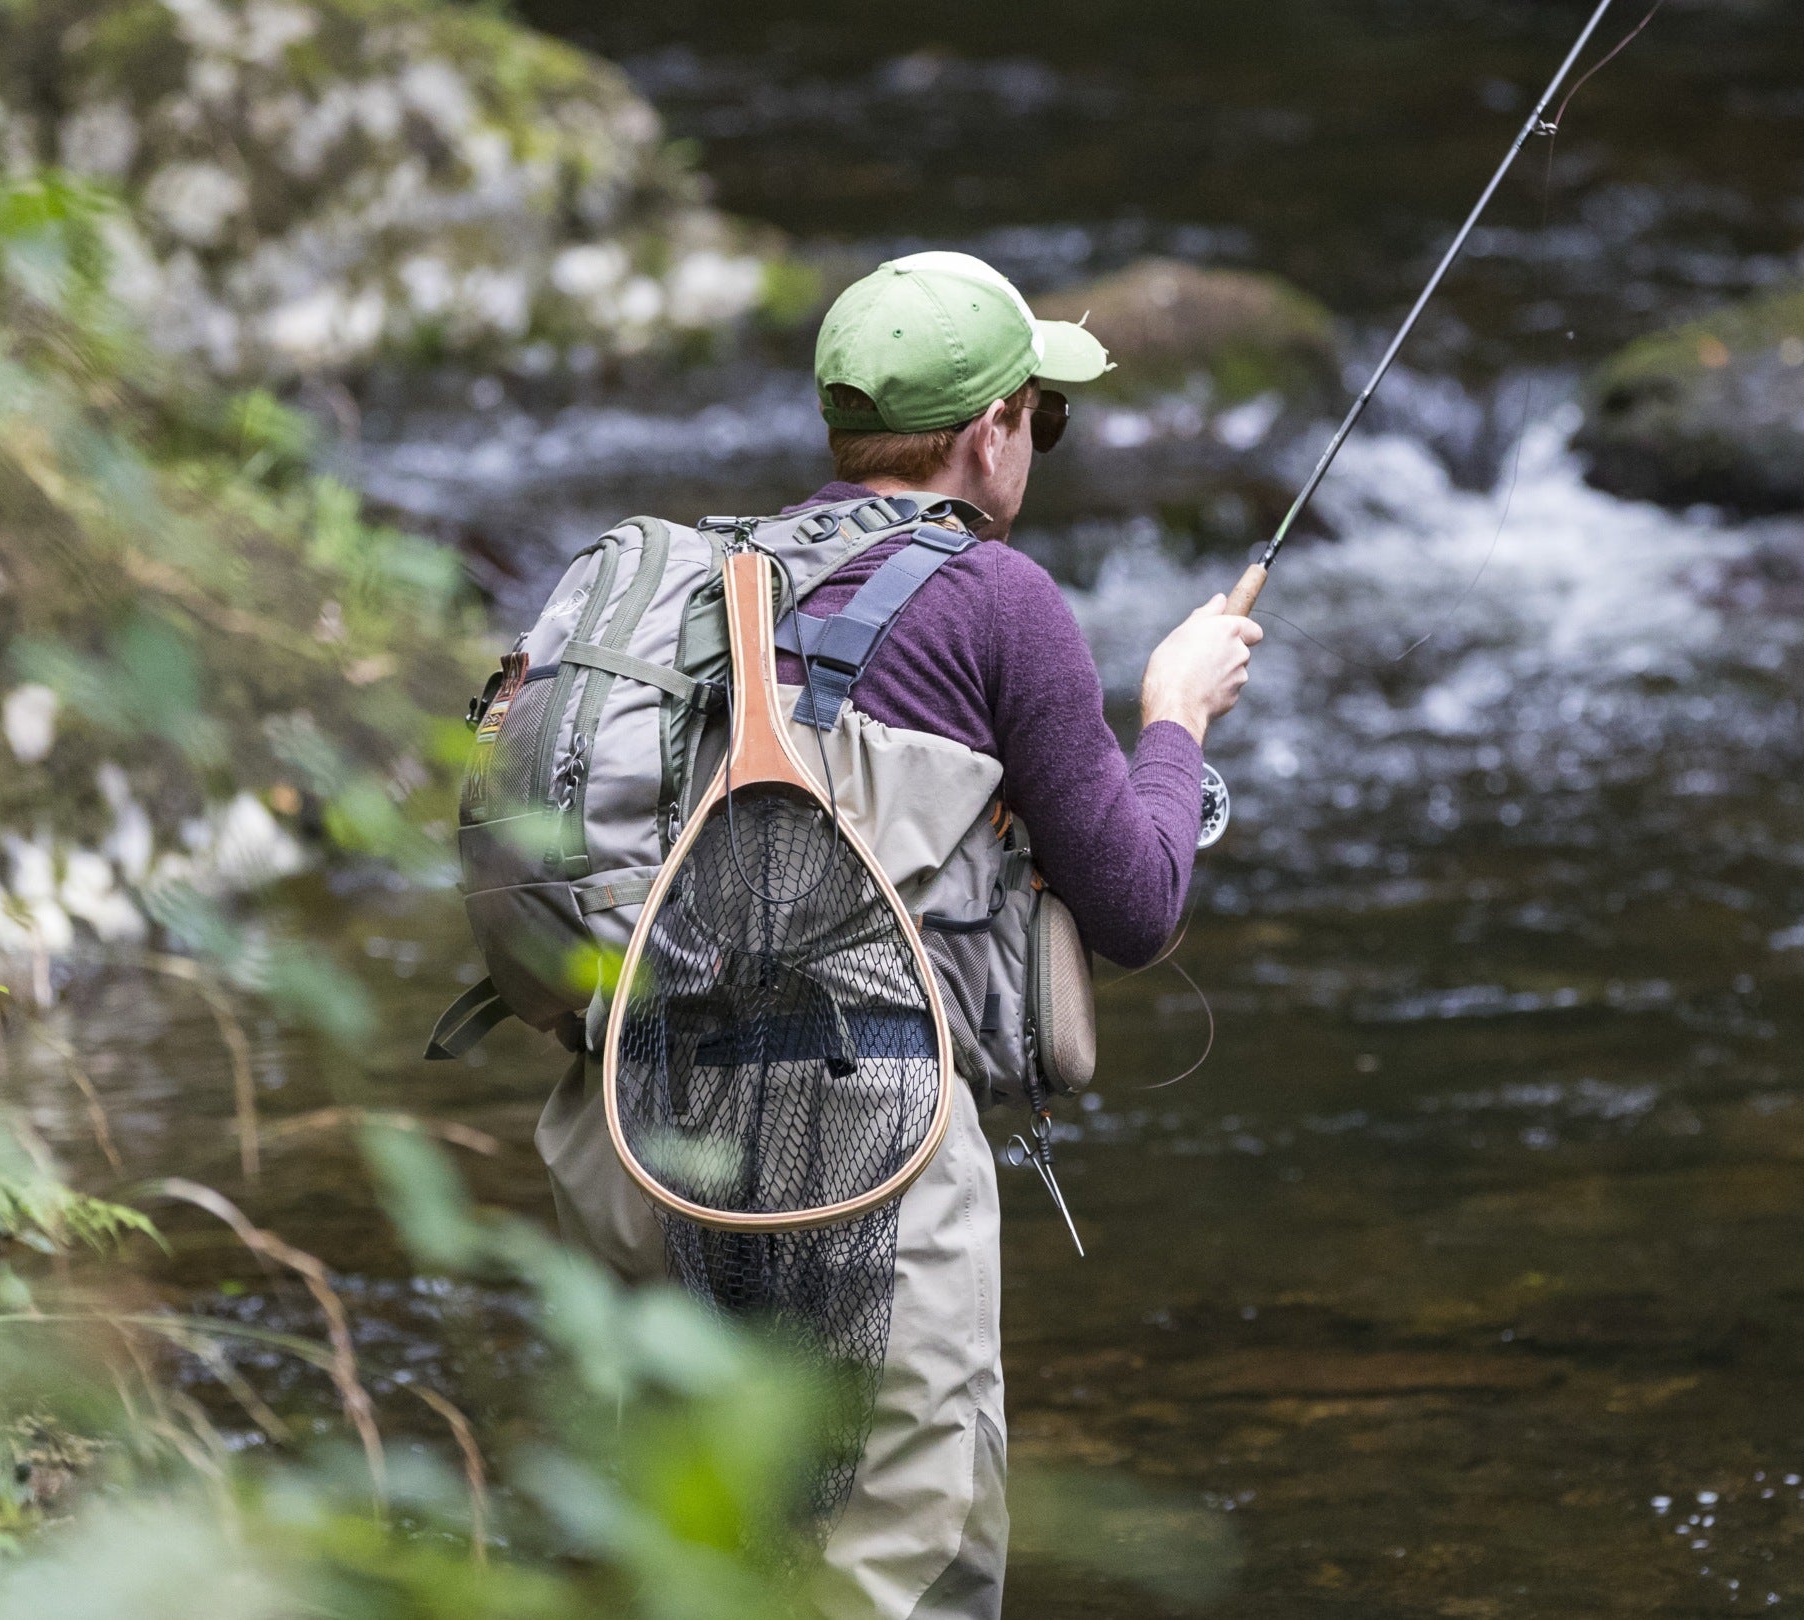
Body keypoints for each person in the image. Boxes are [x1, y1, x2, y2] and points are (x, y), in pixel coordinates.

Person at [531, 249, 1262, 1620]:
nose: (1037, 446)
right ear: (989, 433)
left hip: (631, 1123)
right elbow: (1137, 901)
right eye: (1040, 419)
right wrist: (1175, 715)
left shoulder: (703, 587)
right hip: (863, 1148)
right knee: (893, 1577)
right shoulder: (997, 599)